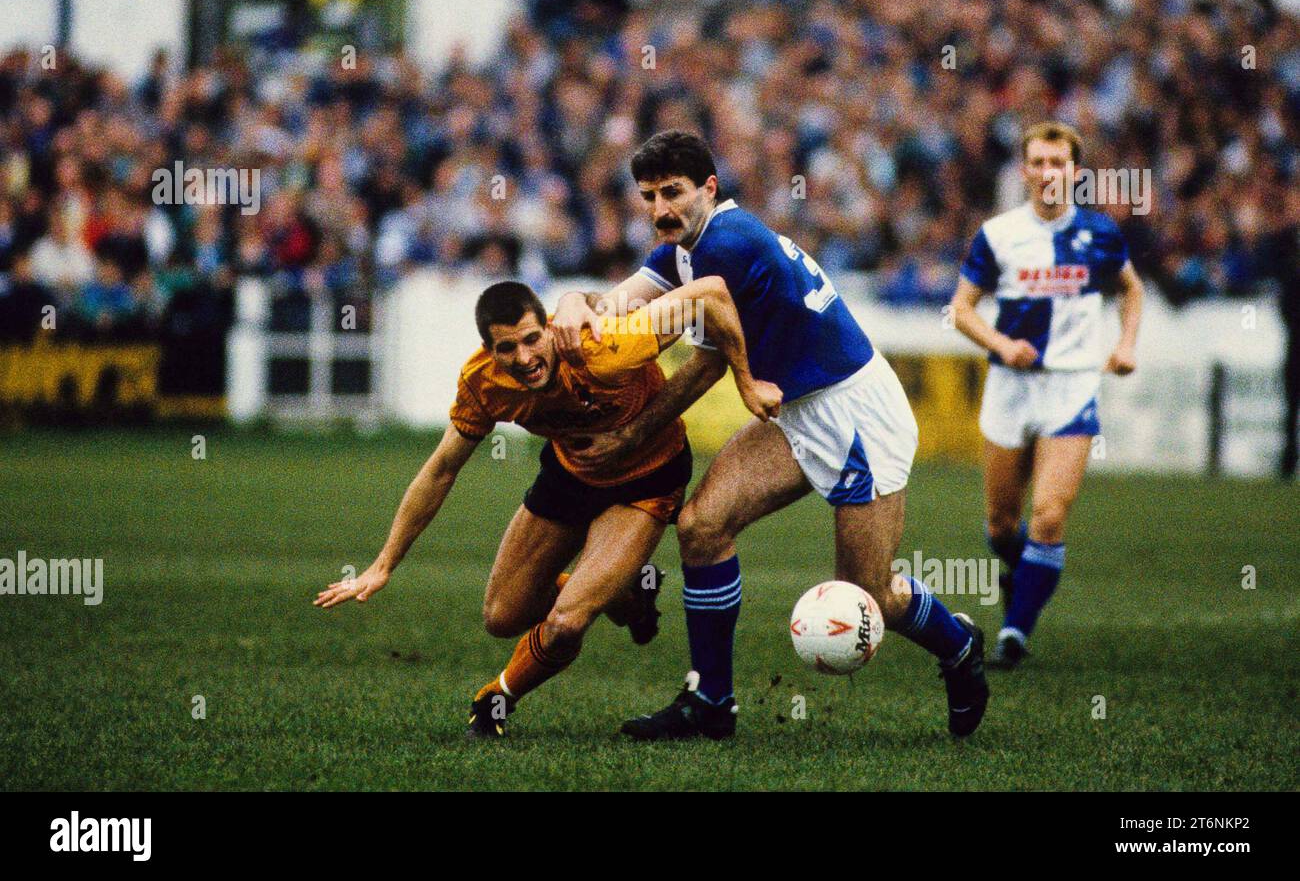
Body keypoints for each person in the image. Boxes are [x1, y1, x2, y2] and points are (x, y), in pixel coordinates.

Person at [552, 129, 988, 741]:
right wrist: (575, 300)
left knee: (868, 592)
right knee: (703, 526)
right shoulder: (686, 245)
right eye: (648, 197)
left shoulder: (727, 244)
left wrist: (630, 438)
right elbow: (617, 302)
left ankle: (959, 643)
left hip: (855, 414)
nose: (659, 210)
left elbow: (703, 366)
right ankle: (711, 702)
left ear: (709, 187)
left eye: (671, 193)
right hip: (797, 411)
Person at [314, 275, 777, 737]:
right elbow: (440, 470)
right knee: (502, 617)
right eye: (507, 348)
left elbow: (713, 295)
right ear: (488, 350)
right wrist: (383, 564)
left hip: (646, 479)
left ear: (550, 329)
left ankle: (498, 697)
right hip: (570, 475)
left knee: (564, 624)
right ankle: (623, 591)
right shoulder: (484, 382)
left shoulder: (604, 345)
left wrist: (747, 382)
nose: (525, 358)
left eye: (533, 339)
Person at [948, 121, 1144, 667]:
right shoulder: (998, 234)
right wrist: (1001, 343)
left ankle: (1014, 634)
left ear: (1074, 173)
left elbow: (1132, 289)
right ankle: (1026, 575)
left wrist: (1125, 343)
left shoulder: (1101, 233)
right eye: (1037, 162)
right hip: (1010, 387)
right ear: (1025, 170)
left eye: (1058, 163)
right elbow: (961, 309)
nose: (1047, 173)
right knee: (1001, 524)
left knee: (1050, 515)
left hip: (1071, 386)